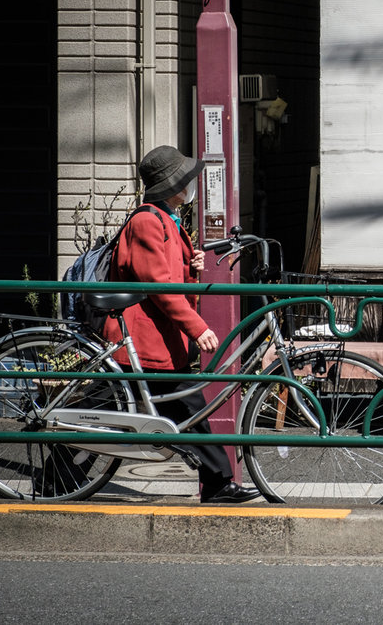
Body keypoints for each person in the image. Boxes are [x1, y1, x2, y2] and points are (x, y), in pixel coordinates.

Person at [103, 145, 260, 503]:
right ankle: (218, 484)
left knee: (179, 408)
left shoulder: (166, 219)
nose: (190, 185)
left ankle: (218, 483)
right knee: (114, 410)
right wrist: (197, 327)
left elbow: (167, 277)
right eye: (185, 179)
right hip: (144, 340)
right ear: (173, 185)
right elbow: (158, 285)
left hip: (157, 341)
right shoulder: (148, 221)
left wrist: (190, 266)